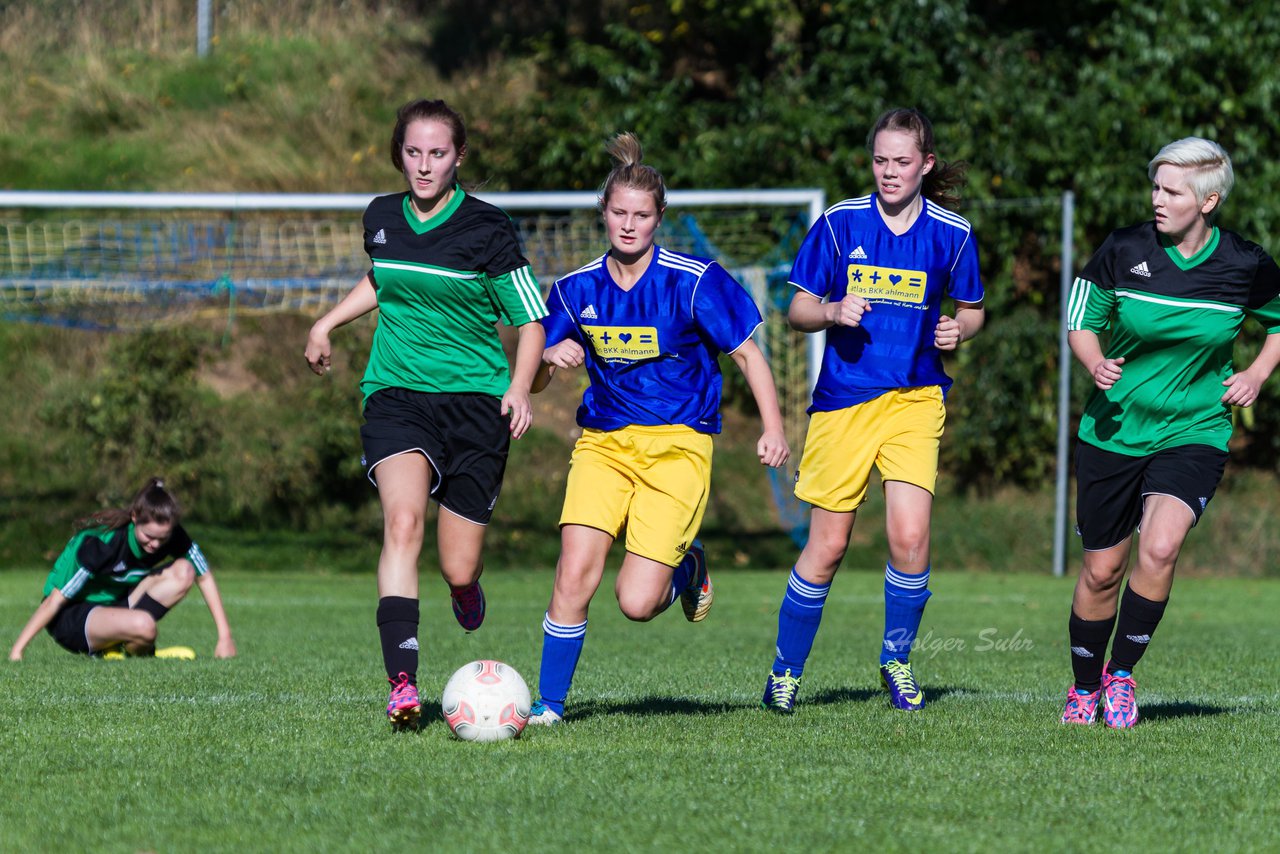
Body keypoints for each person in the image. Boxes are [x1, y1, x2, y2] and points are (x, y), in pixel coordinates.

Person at [526, 132, 790, 724]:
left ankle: (686, 565)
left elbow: (749, 355)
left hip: (678, 448)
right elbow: (534, 379)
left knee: (637, 603)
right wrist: (546, 360)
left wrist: (772, 428)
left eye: (641, 215)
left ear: (659, 218)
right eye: (618, 212)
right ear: (603, 212)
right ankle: (549, 706)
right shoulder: (574, 290)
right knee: (574, 572)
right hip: (603, 446)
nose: (627, 225)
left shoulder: (694, 281)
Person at [304, 98, 547, 731]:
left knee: (457, 565)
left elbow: (530, 319)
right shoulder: (382, 216)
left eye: (438, 153)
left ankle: (464, 587)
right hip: (397, 396)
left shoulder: (489, 229)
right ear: (399, 153)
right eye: (413, 152)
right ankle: (403, 684)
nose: (424, 164)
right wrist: (328, 321)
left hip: (475, 406)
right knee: (403, 523)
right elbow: (384, 279)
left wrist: (519, 390)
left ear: (458, 157)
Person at [759, 108, 985, 714]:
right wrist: (832, 312)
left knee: (910, 536)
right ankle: (785, 672)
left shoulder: (952, 234)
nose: (889, 172)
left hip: (915, 399)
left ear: (925, 164)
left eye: (902, 162)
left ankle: (897, 660)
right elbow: (797, 311)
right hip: (846, 401)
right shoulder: (839, 225)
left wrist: (957, 328)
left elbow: (972, 310)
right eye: (880, 160)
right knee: (829, 546)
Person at [1061, 138, 1280, 728]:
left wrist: (1257, 373)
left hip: (1195, 429)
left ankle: (1122, 676)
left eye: (1172, 190)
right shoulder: (1124, 249)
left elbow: (1279, 322)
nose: (1157, 199)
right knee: (1102, 570)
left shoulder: (1245, 263)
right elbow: (1081, 321)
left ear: (1208, 201)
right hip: (1113, 430)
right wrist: (1094, 363)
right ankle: (1084, 686)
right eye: (1155, 187)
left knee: (1159, 548)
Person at [9, 477, 236, 662]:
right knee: (145, 626)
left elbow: (203, 575)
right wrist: (18, 650)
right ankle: (126, 646)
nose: (155, 545)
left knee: (185, 570)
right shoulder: (102, 544)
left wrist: (224, 637)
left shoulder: (172, 537)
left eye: (162, 538)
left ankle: (125, 651)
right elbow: (55, 600)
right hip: (71, 618)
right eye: (149, 536)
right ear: (135, 517)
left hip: (115, 603)